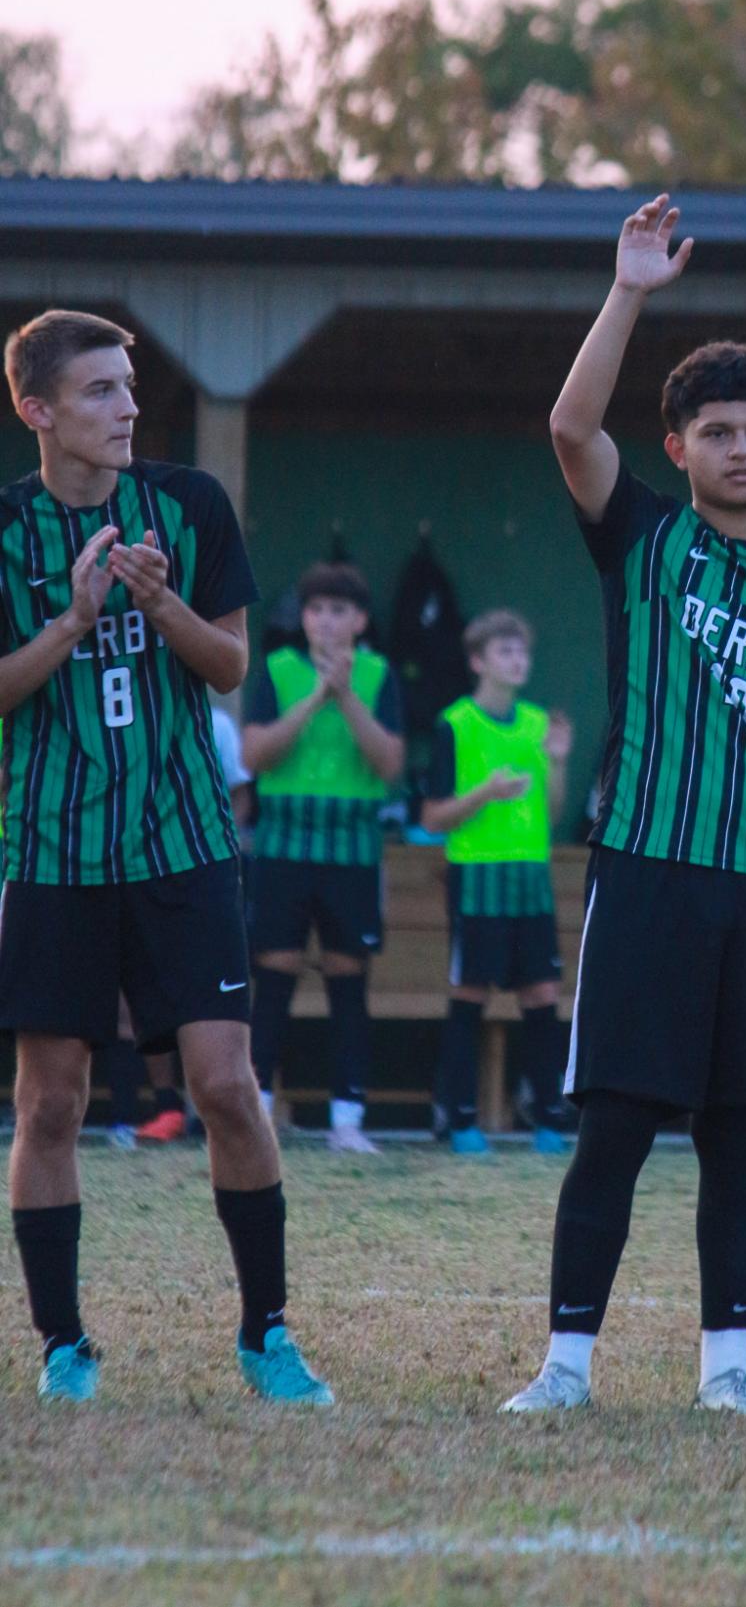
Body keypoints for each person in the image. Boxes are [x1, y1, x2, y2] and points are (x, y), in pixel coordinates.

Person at [501, 195, 746, 1418]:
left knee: (736, 1137)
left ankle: (728, 1373)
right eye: (716, 430)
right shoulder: (643, 541)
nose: (741, 448)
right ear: (678, 448)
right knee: (612, 1127)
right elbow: (566, 423)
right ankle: (563, 1369)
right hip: (650, 870)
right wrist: (629, 291)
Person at [0, 309, 330, 1405]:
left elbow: (232, 667)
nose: (127, 407)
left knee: (227, 1086)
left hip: (184, 847)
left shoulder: (189, 506)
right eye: (99, 391)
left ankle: (266, 1334)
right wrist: (72, 620)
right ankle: (63, 1347)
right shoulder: (5, 534)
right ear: (36, 410)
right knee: (51, 1103)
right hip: (53, 855)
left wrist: (159, 601)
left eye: (129, 387)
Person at [244, 563, 405, 1154]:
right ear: (303, 618)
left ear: (360, 621)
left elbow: (390, 764)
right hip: (285, 843)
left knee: (347, 981)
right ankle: (257, 1111)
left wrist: (346, 695)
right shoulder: (278, 671)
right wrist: (317, 696)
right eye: (316, 610)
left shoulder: (380, 675)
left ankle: (347, 1118)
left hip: (351, 847)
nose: (327, 620)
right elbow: (255, 754)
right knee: (275, 974)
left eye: (339, 610)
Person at [422, 610, 572, 1156]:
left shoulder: (537, 724)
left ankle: (549, 1122)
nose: (518, 661)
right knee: (470, 994)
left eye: (523, 652)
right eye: (506, 652)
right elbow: (433, 818)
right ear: (478, 662)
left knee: (542, 993)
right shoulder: (455, 724)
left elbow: (552, 813)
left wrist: (557, 763)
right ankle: (460, 1119)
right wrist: (484, 793)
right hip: (476, 875)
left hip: (530, 876)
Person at [135, 702, 254, 1144]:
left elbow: (241, 793)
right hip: (132, 871)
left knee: (204, 997)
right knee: (146, 995)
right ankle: (165, 1106)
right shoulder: (110, 714)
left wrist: (218, 843)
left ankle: (210, 1108)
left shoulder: (216, 722)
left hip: (197, 871)